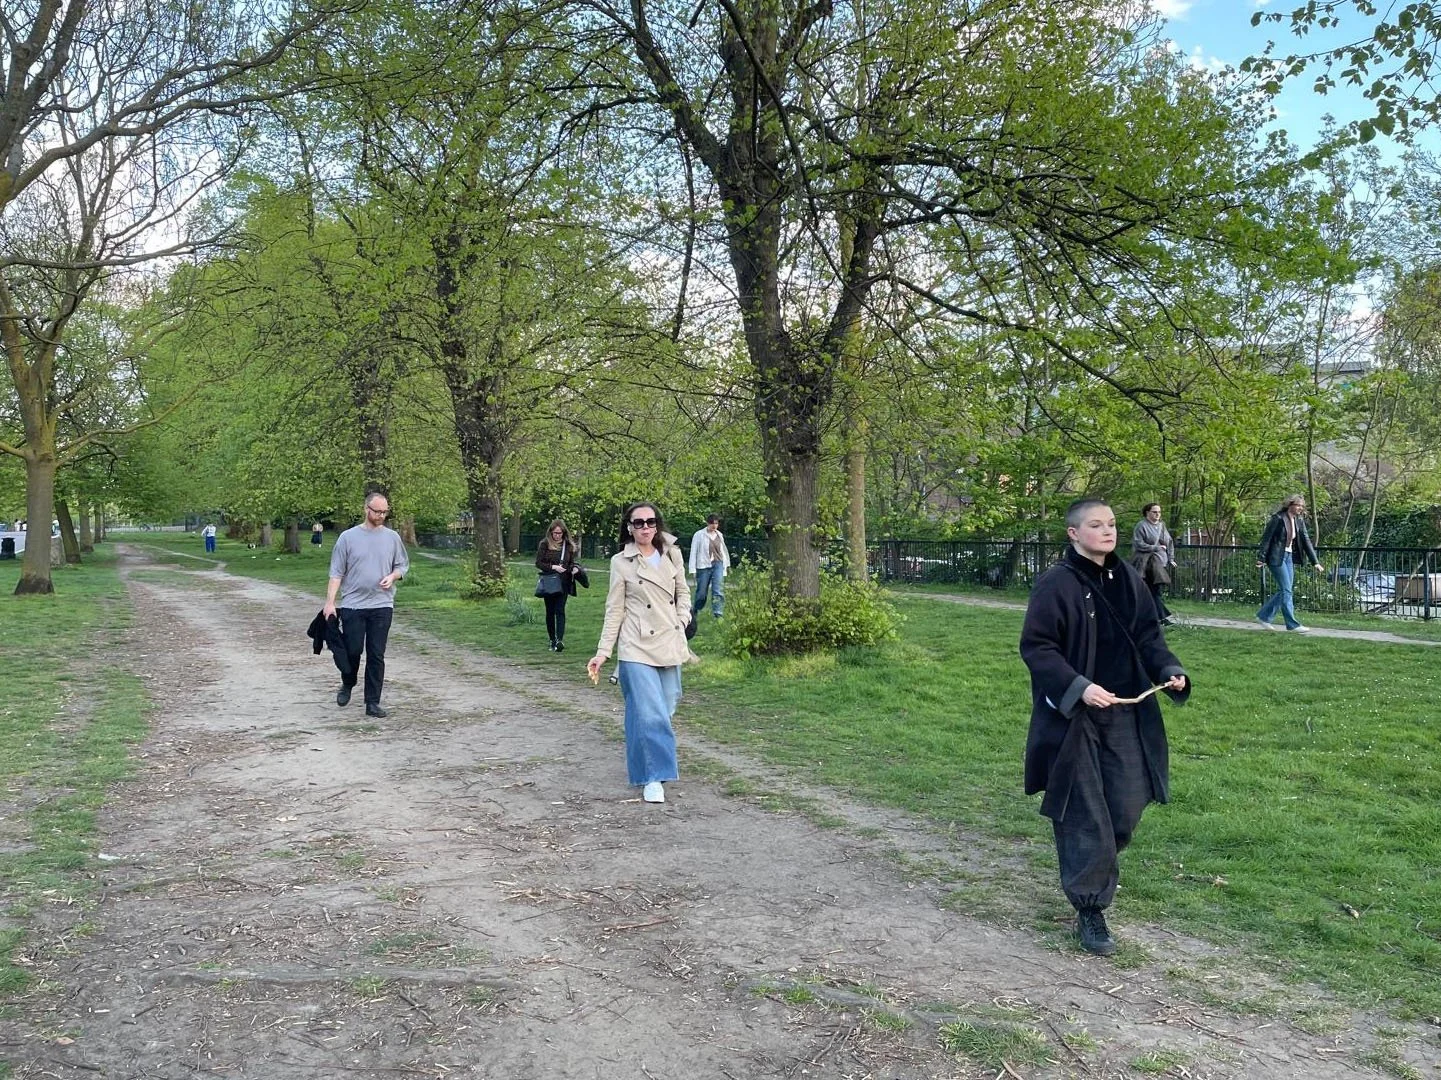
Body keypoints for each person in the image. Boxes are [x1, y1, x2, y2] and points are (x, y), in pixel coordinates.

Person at [1020, 497, 1190, 956]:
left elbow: (1149, 636)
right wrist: (1078, 687)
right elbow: (1037, 648)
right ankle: (1090, 907)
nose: (1108, 531)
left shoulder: (1129, 579)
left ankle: (1095, 866)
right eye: (1096, 525)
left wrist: (1169, 670)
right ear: (1074, 533)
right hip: (1075, 719)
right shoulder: (1055, 584)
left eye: (1112, 524)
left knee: (1127, 805)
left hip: (1127, 712)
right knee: (1084, 812)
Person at [587, 502, 692, 805]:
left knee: (665, 705)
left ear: (657, 524)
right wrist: (603, 652)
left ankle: (644, 766)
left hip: (669, 641)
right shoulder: (621, 562)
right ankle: (653, 777)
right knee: (650, 713)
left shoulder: (672, 553)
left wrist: (682, 619)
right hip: (636, 644)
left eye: (650, 521)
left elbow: (683, 592)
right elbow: (614, 609)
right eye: (638, 523)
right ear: (629, 527)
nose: (645, 527)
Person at [323, 492, 409, 718]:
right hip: (353, 605)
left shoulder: (392, 538)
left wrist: (393, 577)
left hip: (382, 605)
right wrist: (330, 603)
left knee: (376, 654)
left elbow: (402, 566)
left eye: (384, 512)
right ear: (366, 509)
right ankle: (348, 682)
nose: (381, 515)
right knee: (353, 651)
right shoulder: (347, 538)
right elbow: (336, 573)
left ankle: (372, 702)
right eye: (377, 511)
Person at [1256, 494, 1325, 633]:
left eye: (1302, 506)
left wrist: (1315, 562)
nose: (1300, 508)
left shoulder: (1299, 521)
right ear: (1290, 505)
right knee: (1286, 590)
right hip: (1276, 557)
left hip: (1288, 557)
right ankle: (1292, 625)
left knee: (1286, 590)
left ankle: (1264, 616)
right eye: (1298, 505)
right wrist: (1261, 558)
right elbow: (1266, 539)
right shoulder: (1278, 519)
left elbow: (1306, 541)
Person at [535, 518, 582, 652]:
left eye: (559, 533)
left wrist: (574, 569)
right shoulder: (544, 544)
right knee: (550, 611)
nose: (557, 536)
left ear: (563, 533)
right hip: (549, 581)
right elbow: (538, 563)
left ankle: (559, 640)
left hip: (564, 582)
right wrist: (553, 567)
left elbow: (571, 562)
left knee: (560, 610)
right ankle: (552, 639)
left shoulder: (568, 546)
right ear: (550, 532)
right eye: (555, 533)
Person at [1129, 503, 1177, 625]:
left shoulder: (1162, 526)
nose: (1157, 514)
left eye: (1159, 512)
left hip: (1161, 563)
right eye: (1154, 512)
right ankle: (1162, 618)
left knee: (1153, 592)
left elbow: (1169, 542)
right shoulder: (1141, 526)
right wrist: (1155, 547)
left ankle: (1148, 617)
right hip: (1147, 564)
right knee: (1153, 591)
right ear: (1147, 513)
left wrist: (1171, 558)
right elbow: (1138, 543)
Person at [688, 514, 731, 620]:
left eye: (716, 523)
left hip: (718, 564)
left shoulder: (719, 535)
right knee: (701, 592)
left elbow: (723, 551)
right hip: (703, 566)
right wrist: (693, 569)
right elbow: (694, 552)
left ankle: (718, 613)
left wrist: (727, 565)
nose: (714, 526)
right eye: (712, 523)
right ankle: (696, 609)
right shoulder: (699, 535)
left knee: (718, 590)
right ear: (708, 523)